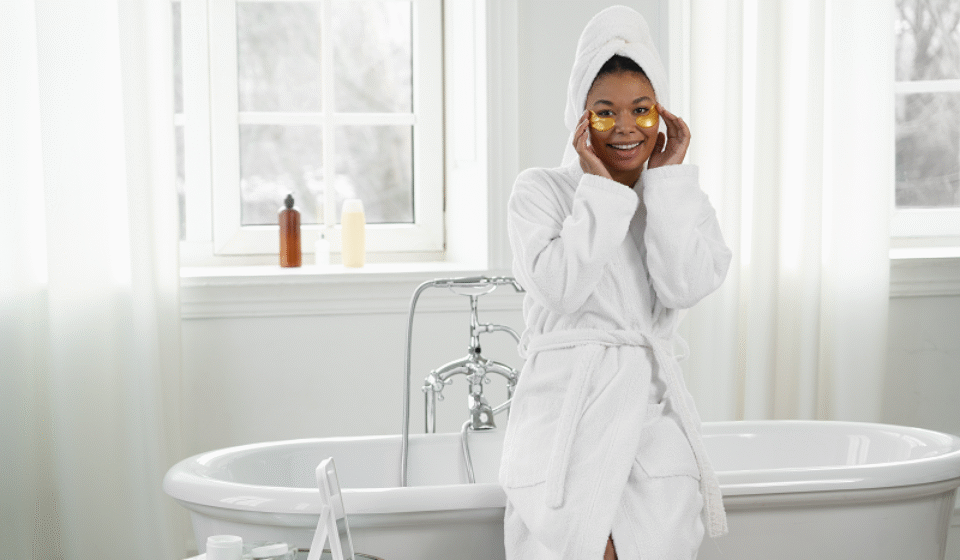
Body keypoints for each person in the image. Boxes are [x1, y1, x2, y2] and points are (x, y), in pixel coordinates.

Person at [499, 6, 731, 560]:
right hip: (567, 418)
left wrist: (669, 182)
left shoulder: (678, 197)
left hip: (650, 419)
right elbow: (560, 287)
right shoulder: (541, 193)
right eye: (605, 113)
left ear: (662, 116)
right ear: (580, 120)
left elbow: (686, 286)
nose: (626, 127)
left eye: (641, 110)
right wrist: (603, 193)